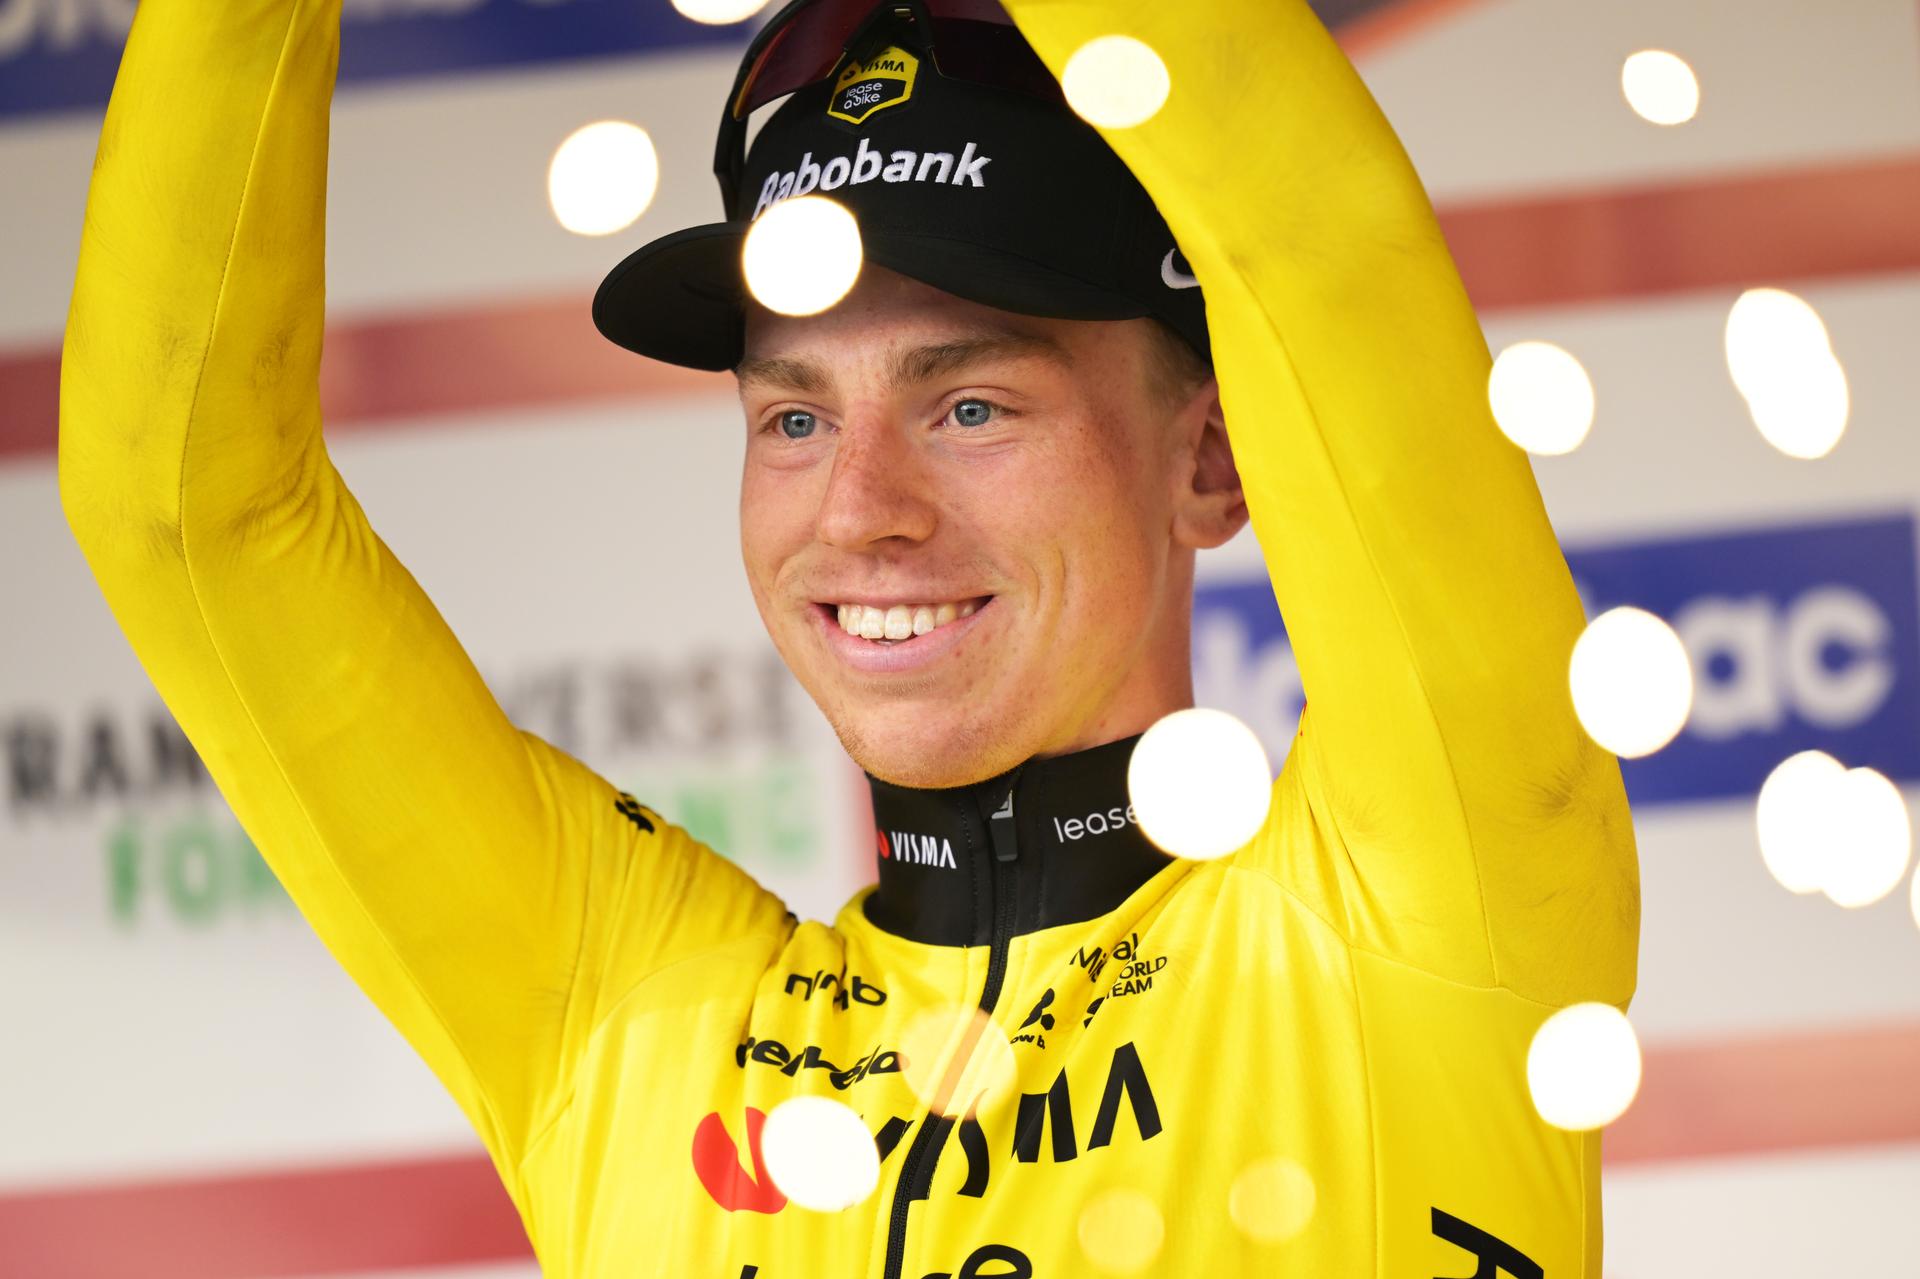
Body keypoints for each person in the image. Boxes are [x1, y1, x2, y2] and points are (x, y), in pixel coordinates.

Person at [60, 0, 1639, 1274]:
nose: (862, 511)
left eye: (973, 405)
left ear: (1212, 461)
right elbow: (189, 512)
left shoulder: (1426, 911)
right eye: (797, 417)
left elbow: (1320, 242)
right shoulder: (630, 1007)